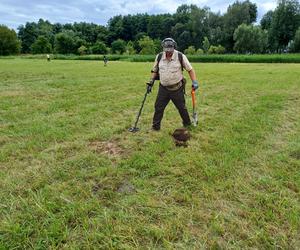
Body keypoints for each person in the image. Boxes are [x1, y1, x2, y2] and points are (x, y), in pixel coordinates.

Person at [147, 38, 199, 131]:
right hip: (163, 88)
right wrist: (151, 82)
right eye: (166, 50)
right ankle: (155, 127)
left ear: (173, 47)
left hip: (177, 88)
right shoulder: (159, 57)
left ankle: (187, 124)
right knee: (158, 107)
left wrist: (194, 81)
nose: (168, 52)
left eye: (170, 50)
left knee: (182, 108)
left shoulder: (180, 56)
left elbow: (190, 69)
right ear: (163, 48)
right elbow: (154, 70)